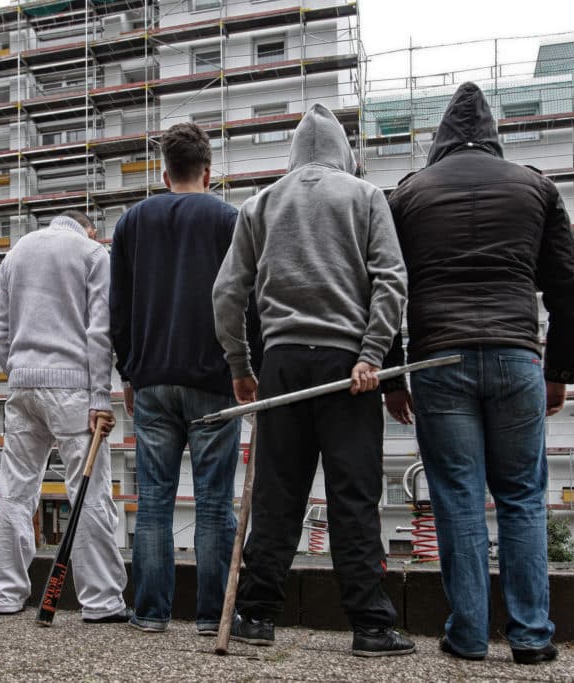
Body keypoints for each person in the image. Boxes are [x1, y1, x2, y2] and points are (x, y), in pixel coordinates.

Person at [384, 82, 574, 664]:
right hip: (517, 356)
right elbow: (567, 288)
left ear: (439, 139)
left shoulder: (407, 196)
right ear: (494, 135)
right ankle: (531, 637)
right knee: (522, 497)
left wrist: (395, 378)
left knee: (457, 497)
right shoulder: (535, 188)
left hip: (440, 362)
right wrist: (559, 369)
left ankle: (468, 635)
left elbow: (387, 291)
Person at [212, 103, 414, 657]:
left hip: (280, 364)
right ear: (344, 151)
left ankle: (256, 614)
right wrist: (372, 354)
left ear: (295, 153)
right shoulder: (366, 196)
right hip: (351, 369)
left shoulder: (260, 204)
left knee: (277, 494)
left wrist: (240, 366)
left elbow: (227, 294)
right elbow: (391, 282)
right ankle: (370, 626)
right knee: (353, 494)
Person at [110, 122, 258, 635]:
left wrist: (128, 371)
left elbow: (120, 309)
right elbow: (246, 300)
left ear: (164, 170)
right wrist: (246, 369)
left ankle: (150, 612)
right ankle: (213, 615)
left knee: (153, 498)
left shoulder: (131, 223)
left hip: (151, 380)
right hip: (215, 378)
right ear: (208, 170)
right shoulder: (230, 219)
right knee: (215, 500)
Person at [0, 210, 129, 621]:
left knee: (15, 491)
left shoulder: (16, 254)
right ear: (90, 229)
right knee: (88, 492)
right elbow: (100, 331)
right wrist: (101, 397)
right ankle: (100, 601)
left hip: (22, 386)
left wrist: (19, 370)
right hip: (74, 389)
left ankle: (6, 595)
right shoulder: (92, 253)